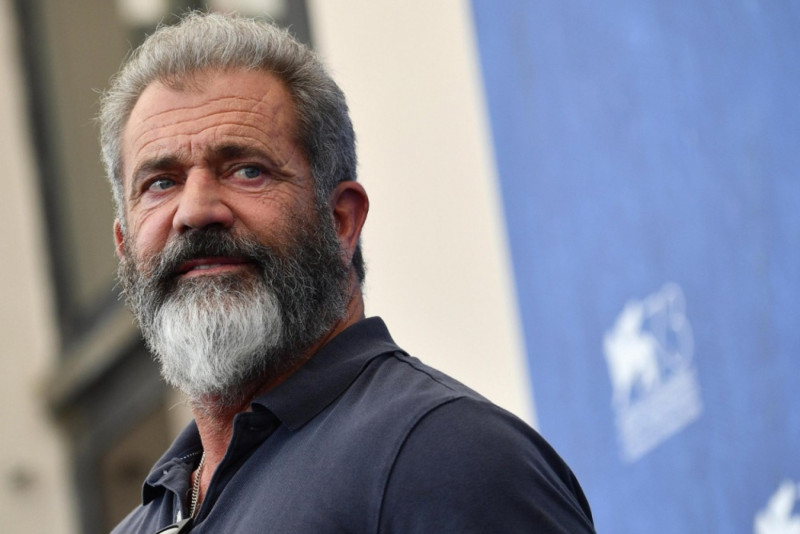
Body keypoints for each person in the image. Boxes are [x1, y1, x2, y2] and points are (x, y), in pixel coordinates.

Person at [100, 11, 596, 534]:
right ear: (124, 247)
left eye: (247, 170)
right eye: (160, 183)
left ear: (341, 220)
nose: (196, 210)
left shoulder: (447, 454)